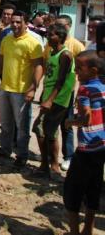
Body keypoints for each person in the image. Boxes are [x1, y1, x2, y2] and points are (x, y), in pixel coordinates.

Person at [0, 11, 43, 168]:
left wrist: (33, 88)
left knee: (22, 127)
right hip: (5, 88)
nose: (16, 25)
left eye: (19, 22)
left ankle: (22, 156)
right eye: (13, 22)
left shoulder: (33, 42)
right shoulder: (7, 39)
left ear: (25, 23)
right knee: (5, 123)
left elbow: (39, 66)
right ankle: (5, 149)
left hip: (22, 91)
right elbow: (0, 61)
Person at [63, 51, 105, 235]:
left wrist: (70, 122)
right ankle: (88, 228)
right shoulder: (102, 86)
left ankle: (74, 231)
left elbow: (85, 118)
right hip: (101, 145)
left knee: (72, 190)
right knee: (93, 188)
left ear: (93, 70)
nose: (76, 72)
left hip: (86, 147)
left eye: (80, 68)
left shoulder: (85, 89)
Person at [31, 23, 75, 177]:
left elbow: (61, 80)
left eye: (52, 35)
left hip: (58, 100)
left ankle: (50, 165)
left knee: (43, 129)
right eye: (48, 34)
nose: (48, 37)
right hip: (50, 97)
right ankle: (49, 165)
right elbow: (50, 76)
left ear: (61, 37)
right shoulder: (52, 52)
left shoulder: (65, 55)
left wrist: (50, 99)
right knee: (47, 131)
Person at [45, 14, 85, 171]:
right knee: (49, 128)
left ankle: (67, 157)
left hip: (65, 94)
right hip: (50, 92)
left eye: (61, 26)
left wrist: (79, 93)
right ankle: (50, 160)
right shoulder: (51, 45)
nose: (57, 28)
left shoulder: (74, 47)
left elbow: (78, 72)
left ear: (68, 27)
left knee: (66, 126)